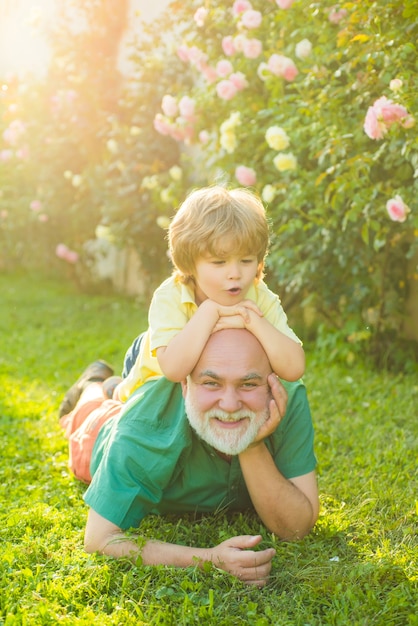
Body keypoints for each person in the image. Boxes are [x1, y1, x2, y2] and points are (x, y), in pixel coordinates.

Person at [60, 329, 318, 587]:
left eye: (248, 384)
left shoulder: (288, 397)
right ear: (186, 384)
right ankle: (93, 385)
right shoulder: (143, 423)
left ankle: (116, 387)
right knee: (85, 415)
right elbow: (99, 539)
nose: (229, 405)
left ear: (272, 385)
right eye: (211, 383)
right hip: (103, 428)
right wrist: (209, 559)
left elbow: (295, 529)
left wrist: (252, 443)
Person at [114, 185, 305, 402]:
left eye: (246, 260)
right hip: (153, 381)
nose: (235, 274)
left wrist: (251, 321)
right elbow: (174, 370)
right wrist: (210, 311)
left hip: (215, 394)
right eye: (219, 262)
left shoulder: (260, 296)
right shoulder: (171, 295)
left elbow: (294, 368)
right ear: (190, 264)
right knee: (112, 398)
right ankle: (105, 385)